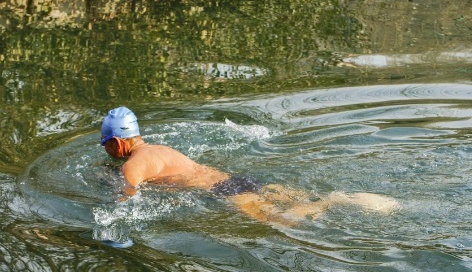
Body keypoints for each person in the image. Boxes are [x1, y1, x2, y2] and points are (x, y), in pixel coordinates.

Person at [100, 106, 398, 226]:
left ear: (118, 141)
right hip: (236, 179)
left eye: (107, 144)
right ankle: (351, 198)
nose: (108, 150)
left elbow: (128, 198)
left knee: (281, 221)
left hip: (223, 190)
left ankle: (336, 201)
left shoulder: (133, 165)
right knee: (296, 199)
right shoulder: (159, 149)